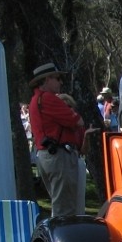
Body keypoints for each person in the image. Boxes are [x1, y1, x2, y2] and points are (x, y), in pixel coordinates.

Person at [28, 62, 86, 218]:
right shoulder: (48, 98)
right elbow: (78, 121)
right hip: (59, 155)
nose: (60, 82)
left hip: (46, 155)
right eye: (57, 78)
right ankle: (65, 240)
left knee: (59, 204)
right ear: (47, 80)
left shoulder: (35, 100)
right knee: (65, 209)